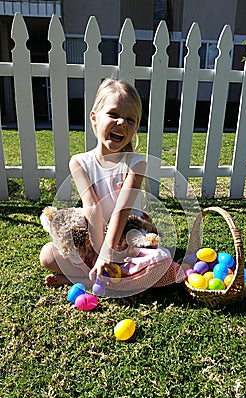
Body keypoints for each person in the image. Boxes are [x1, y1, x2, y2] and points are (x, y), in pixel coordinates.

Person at [40, 78, 184, 291]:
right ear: (94, 118)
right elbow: (92, 207)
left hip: (128, 236)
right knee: (48, 256)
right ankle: (104, 278)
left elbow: (122, 210)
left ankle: (92, 279)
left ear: (135, 128)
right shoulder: (79, 162)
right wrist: (99, 252)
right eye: (114, 114)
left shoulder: (136, 164)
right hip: (94, 231)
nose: (122, 123)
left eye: (130, 119)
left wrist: (109, 253)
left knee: (160, 259)